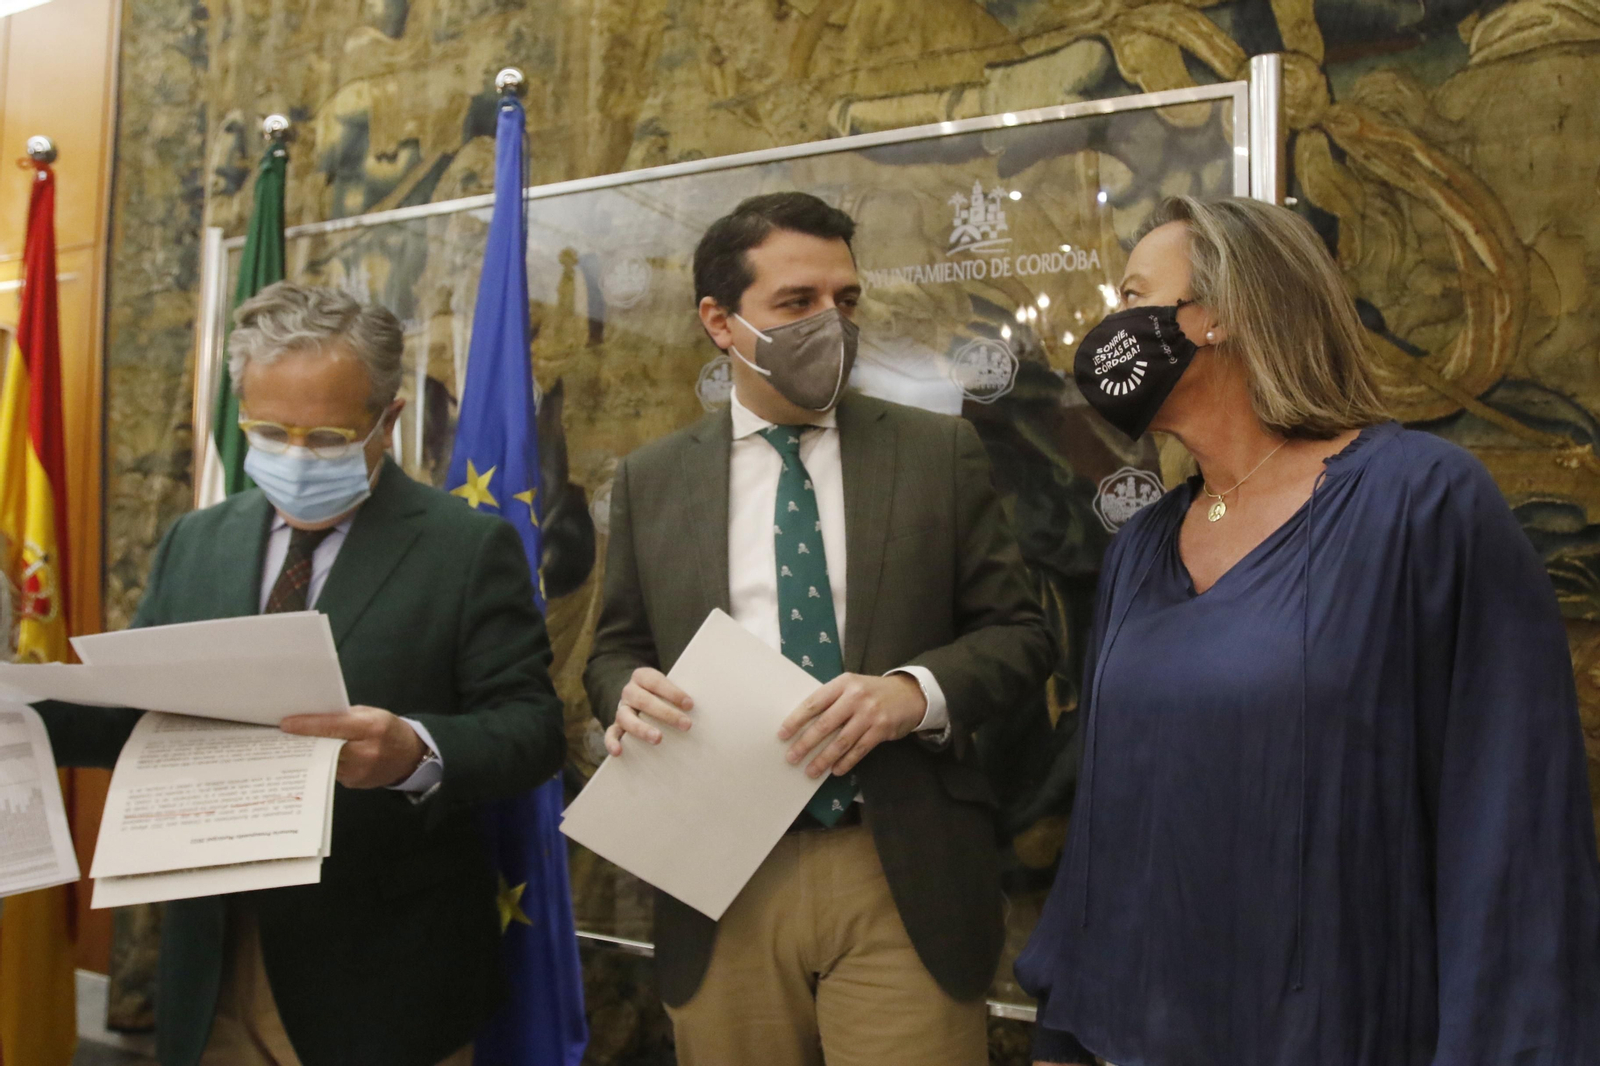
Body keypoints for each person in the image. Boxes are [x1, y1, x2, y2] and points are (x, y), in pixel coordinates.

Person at [1016, 195, 1600, 1065]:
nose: (1110, 330)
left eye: (1136, 294)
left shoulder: (1421, 501)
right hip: (1137, 1031)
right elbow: (1112, 816)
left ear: (1215, 315)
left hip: (1336, 1031)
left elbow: (1511, 815)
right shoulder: (1142, 547)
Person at [35, 282, 566, 1066]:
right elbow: (132, 715)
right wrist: (22, 706)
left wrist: (414, 752)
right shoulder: (198, 539)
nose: (293, 457)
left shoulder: (464, 549)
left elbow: (532, 731)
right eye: (268, 432)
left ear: (387, 421)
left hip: (378, 976)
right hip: (212, 957)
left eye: (324, 437)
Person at [584, 191, 1055, 1066]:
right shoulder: (655, 480)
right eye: (797, 304)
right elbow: (615, 650)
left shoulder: (935, 454)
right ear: (720, 322)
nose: (830, 325)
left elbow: (1021, 637)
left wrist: (913, 695)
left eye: (846, 301)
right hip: (720, 871)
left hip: (897, 862)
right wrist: (625, 691)